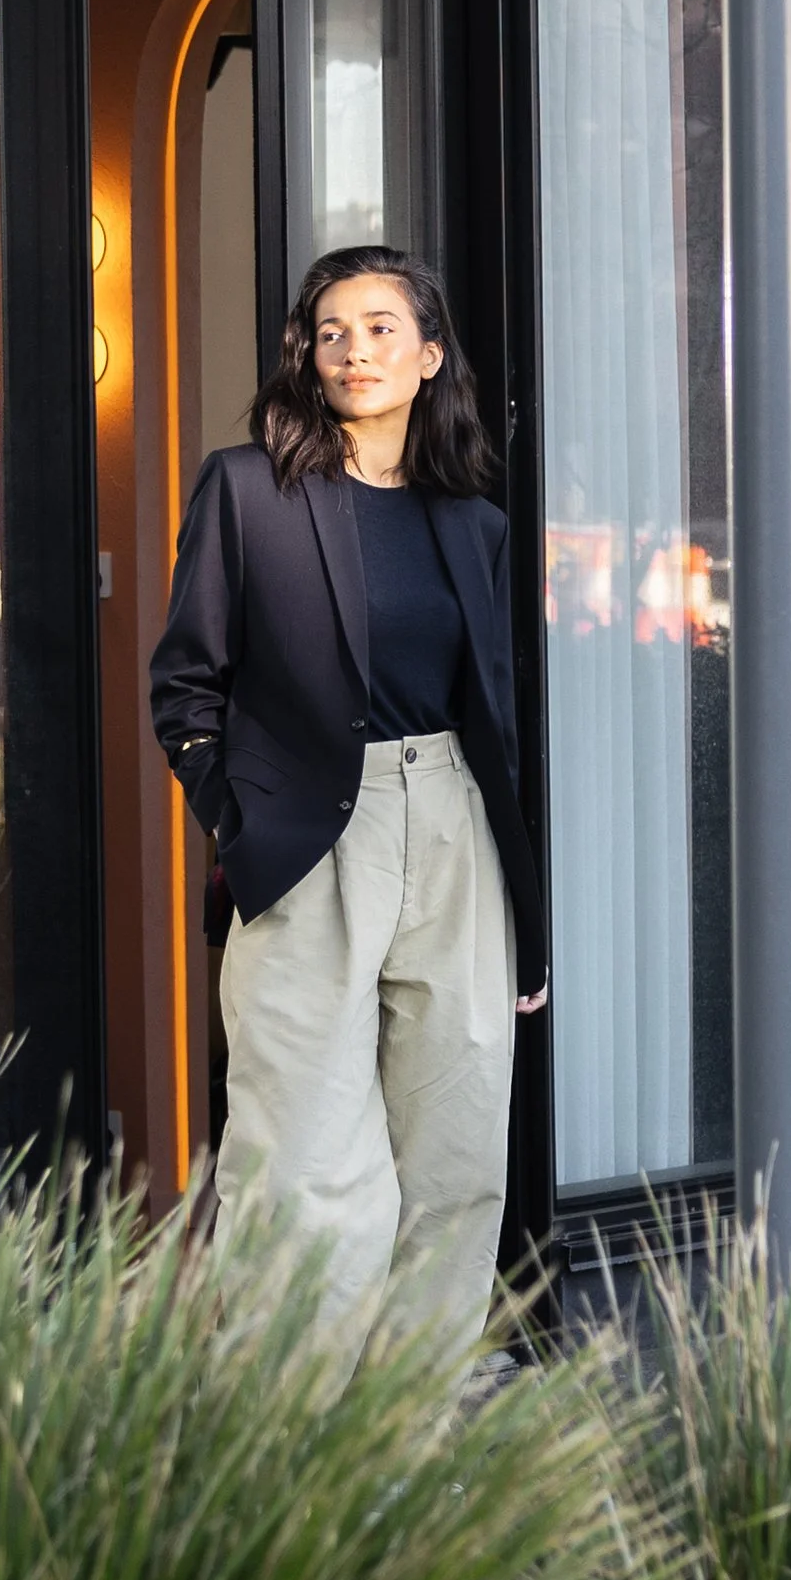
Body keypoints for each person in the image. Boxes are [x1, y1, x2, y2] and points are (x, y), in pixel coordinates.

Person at [150, 245, 547, 1375]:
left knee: (457, 1149)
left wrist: (523, 913)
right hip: (314, 835)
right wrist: (238, 815)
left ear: (428, 356)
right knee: (305, 1155)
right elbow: (186, 680)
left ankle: (410, 1426)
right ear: (308, 359)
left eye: (380, 327)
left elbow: (497, 734)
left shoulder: (471, 524)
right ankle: (298, 1426)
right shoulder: (247, 489)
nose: (354, 348)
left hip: (455, 831)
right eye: (331, 331)